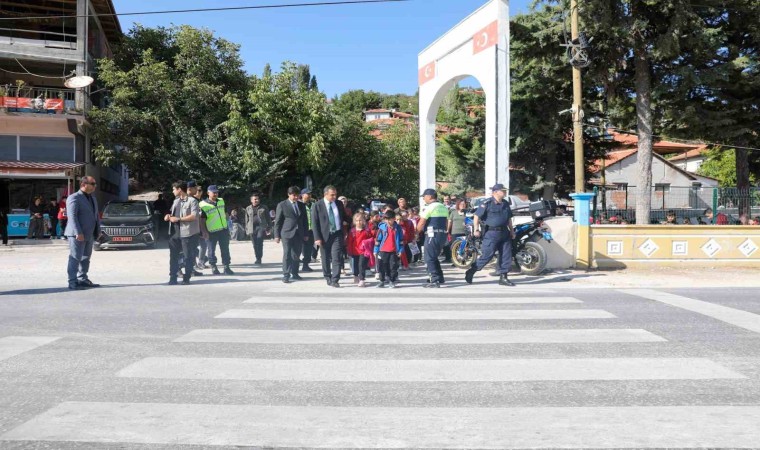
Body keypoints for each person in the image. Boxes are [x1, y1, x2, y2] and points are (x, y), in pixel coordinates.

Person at [464, 183, 516, 287]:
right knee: (487, 255)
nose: (505, 192)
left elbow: (509, 218)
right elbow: (476, 216)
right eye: (503, 190)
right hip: (491, 233)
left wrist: (511, 231)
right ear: (495, 192)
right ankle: (472, 271)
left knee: (506, 255)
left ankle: (503, 277)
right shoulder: (486, 203)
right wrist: (476, 229)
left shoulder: (505, 203)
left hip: (504, 232)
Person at [64, 176, 101, 290]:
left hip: (89, 233)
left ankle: (83, 279)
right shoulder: (74, 197)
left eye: (95, 183)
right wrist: (78, 232)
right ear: (84, 184)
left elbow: (95, 216)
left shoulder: (92, 198)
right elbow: (72, 217)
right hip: (77, 234)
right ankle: (72, 282)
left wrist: (98, 231)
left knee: (85, 258)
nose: (95, 186)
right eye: (93, 183)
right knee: (75, 258)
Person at [165, 181, 202, 285]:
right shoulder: (176, 201)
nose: (172, 191)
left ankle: (187, 277)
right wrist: (168, 216)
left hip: (188, 233)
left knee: (188, 257)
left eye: (173, 189)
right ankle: (173, 277)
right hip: (175, 233)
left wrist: (178, 219)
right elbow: (171, 213)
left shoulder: (192, 201)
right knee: (173, 257)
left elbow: (194, 216)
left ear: (179, 189)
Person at [312, 185, 348, 288]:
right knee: (325, 257)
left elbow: (344, 217)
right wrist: (317, 238)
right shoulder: (317, 205)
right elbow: (315, 223)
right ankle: (327, 276)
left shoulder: (339, 204)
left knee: (336, 257)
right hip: (323, 236)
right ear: (325, 194)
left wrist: (354, 221)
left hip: (337, 234)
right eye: (332, 195)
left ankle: (335, 279)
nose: (334, 197)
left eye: (335, 194)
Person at [274, 186, 309, 283]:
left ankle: (295, 273)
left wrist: (306, 233)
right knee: (287, 254)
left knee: (296, 254)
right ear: (289, 194)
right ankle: (286, 274)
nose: (296, 197)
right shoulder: (282, 205)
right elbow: (278, 221)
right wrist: (276, 235)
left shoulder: (301, 205)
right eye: (294, 195)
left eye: (297, 195)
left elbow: (305, 220)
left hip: (299, 233)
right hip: (287, 233)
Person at [416, 188, 449, 288]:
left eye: (424, 197)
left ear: (429, 197)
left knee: (429, 258)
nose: (423, 199)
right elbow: (447, 222)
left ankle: (434, 280)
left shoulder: (429, 207)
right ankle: (440, 277)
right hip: (442, 234)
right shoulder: (443, 206)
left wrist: (416, 234)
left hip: (432, 234)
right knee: (434, 256)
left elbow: (422, 222)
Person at [199, 185, 234, 276]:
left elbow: (225, 213)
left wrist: (229, 225)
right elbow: (202, 220)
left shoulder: (221, 201)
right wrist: (204, 231)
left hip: (223, 230)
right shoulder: (203, 204)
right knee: (211, 250)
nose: (215, 194)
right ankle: (214, 267)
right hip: (211, 231)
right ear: (208, 193)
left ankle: (226, 267)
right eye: (213, 192)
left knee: (225, 249)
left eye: (216, 192)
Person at [374, 210, 404, 289]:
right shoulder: (382, 228)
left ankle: (392, 281)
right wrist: (375, 250)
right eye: (386, 219)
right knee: (381, 266)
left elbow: (401, 240)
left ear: (394, 219)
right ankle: (382, 281)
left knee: (393, 266)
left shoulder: (398, 228)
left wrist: (400, 250)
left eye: (389, 219)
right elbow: (378, 240)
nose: (387, 221)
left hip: (394, 251)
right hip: (383, 250)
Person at [347, 212, 372, 287]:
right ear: (354, 221)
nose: (359, 222)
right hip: (354, 251)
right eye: (357, 220)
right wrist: (349, 251)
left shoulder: (367, 230)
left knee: (361, 265)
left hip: (363, 252)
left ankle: (362, 279)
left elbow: (371, 239)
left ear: (364, 221)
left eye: (360, 220)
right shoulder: (352, 231)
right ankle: (355, 276)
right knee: (355, 265)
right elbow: (349, 242)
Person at [245, 192, 271, 266]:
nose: (256, 200)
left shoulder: (264, 207)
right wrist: (246, 230)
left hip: (261, 227)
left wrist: (269, 227)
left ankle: (259, 258)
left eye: (258, 199)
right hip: (251, 228)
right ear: (251, 200)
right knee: (254, 244)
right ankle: (257, 257)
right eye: (255, 199)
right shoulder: (248, 208)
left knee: (259, 242)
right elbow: (246, 220)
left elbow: (268, 218)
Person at [187, 181, 207, 274]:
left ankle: (201, 262)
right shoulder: (192, 201)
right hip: (193, 228)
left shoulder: (202, 202)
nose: (198, 192)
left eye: (200, 190)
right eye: (197, 190)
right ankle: (194, 265)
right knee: (193, 248)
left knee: (203, 245)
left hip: (201, 228)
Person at [300, 188, 316, 272]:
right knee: (302, 248)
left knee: (309, 248)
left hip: (312, 230)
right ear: (302, 195)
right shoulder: (298, 204)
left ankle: (305, 265)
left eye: (310, 194)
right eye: (307, 194)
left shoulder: (314, 204)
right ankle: (294, 267)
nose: (309, 195)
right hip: (302, 230)